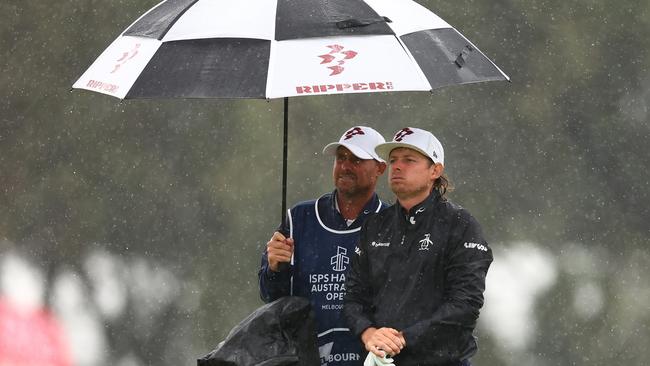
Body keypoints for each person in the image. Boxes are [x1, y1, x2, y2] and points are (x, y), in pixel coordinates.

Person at [343, 127, 493, 366]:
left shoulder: (460, 225)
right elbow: (353, 298)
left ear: (435, 170)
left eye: (409, 160)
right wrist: (369, 333)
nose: (397, 167)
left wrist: (404, 338)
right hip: (382, 360)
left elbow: (464, 306)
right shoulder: (375, 224)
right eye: (393, 161)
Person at [259, 126, 388, 366]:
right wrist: (275, 269)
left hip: (372, 359)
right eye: (341, 158)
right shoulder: (299, 218)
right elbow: (271, 296)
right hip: (308, 357)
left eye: (357, 160)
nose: (346, 166)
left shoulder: (393, 222)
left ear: (380, 168)